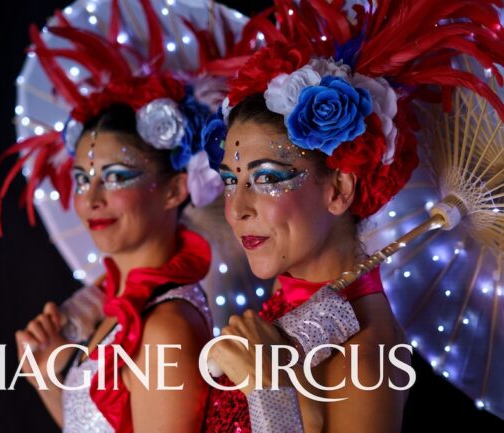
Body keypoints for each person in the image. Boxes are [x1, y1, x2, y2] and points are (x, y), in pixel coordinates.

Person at [201, 0, 504, 432]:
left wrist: (268, 391)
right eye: (231, 180)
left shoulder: (365, 357)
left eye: (266, 178)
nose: (237, 207)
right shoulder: (283, 305)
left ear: (339, 189)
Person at [0, 2, 231, 431]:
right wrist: (47, 374)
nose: (91, 199)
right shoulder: (118, 311)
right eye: (82, 179)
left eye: (117, 176)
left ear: (176, 189)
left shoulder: (166, 329)